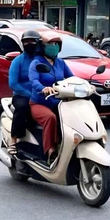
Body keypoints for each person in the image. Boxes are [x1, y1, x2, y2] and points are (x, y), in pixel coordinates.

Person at [28, 34, 74, 165]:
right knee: (50, 118)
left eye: (56, 45)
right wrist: (43, 88)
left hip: (58, 102)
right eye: (50, 45)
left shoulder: (61, 63)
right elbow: (33, 80)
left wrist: (85, 85)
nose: (53, 47)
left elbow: (71, 78)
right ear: (43, 47)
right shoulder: (36, 63)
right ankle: (50, 152)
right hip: (39, 103)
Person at [6, 30, 40, 156]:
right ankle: (13, 140)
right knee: (23, 107)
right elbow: (13, 84)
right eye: (26, 41)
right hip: (22, 95)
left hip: (40, 94)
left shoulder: (41, 60)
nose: (29, 43)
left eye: (32, 41)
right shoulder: (18, 61)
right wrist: (29, 95)